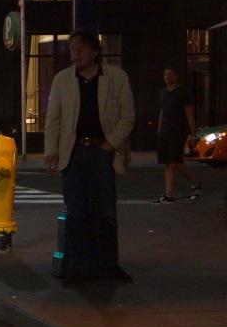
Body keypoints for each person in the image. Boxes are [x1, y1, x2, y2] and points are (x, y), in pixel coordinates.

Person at [43, 28, 136, 284]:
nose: (76, 54)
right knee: (76, 212)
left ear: (95, 52)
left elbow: (128, 116)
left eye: (81, 49)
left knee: (106, 211)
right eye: (72, 49)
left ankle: (108, 263)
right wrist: (51, 150)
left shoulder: (115, 77)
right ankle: (79, 266)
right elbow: (54, 118)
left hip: (101, 150)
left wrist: (110, 144)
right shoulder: (63, 79)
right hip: (73, 152)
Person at [153, 68, 202, 203]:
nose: (167, 76)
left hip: (178, 131)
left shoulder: (183, 93)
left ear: (176, 76)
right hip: (165, 132)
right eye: (165, 74)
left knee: (175, 161)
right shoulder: (163, 93)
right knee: (168, 163)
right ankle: (169, 194)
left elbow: (190, 115)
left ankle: (195, 183)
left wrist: (193, 135)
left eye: (170, 74)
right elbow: (162, 112)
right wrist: (159, 131)